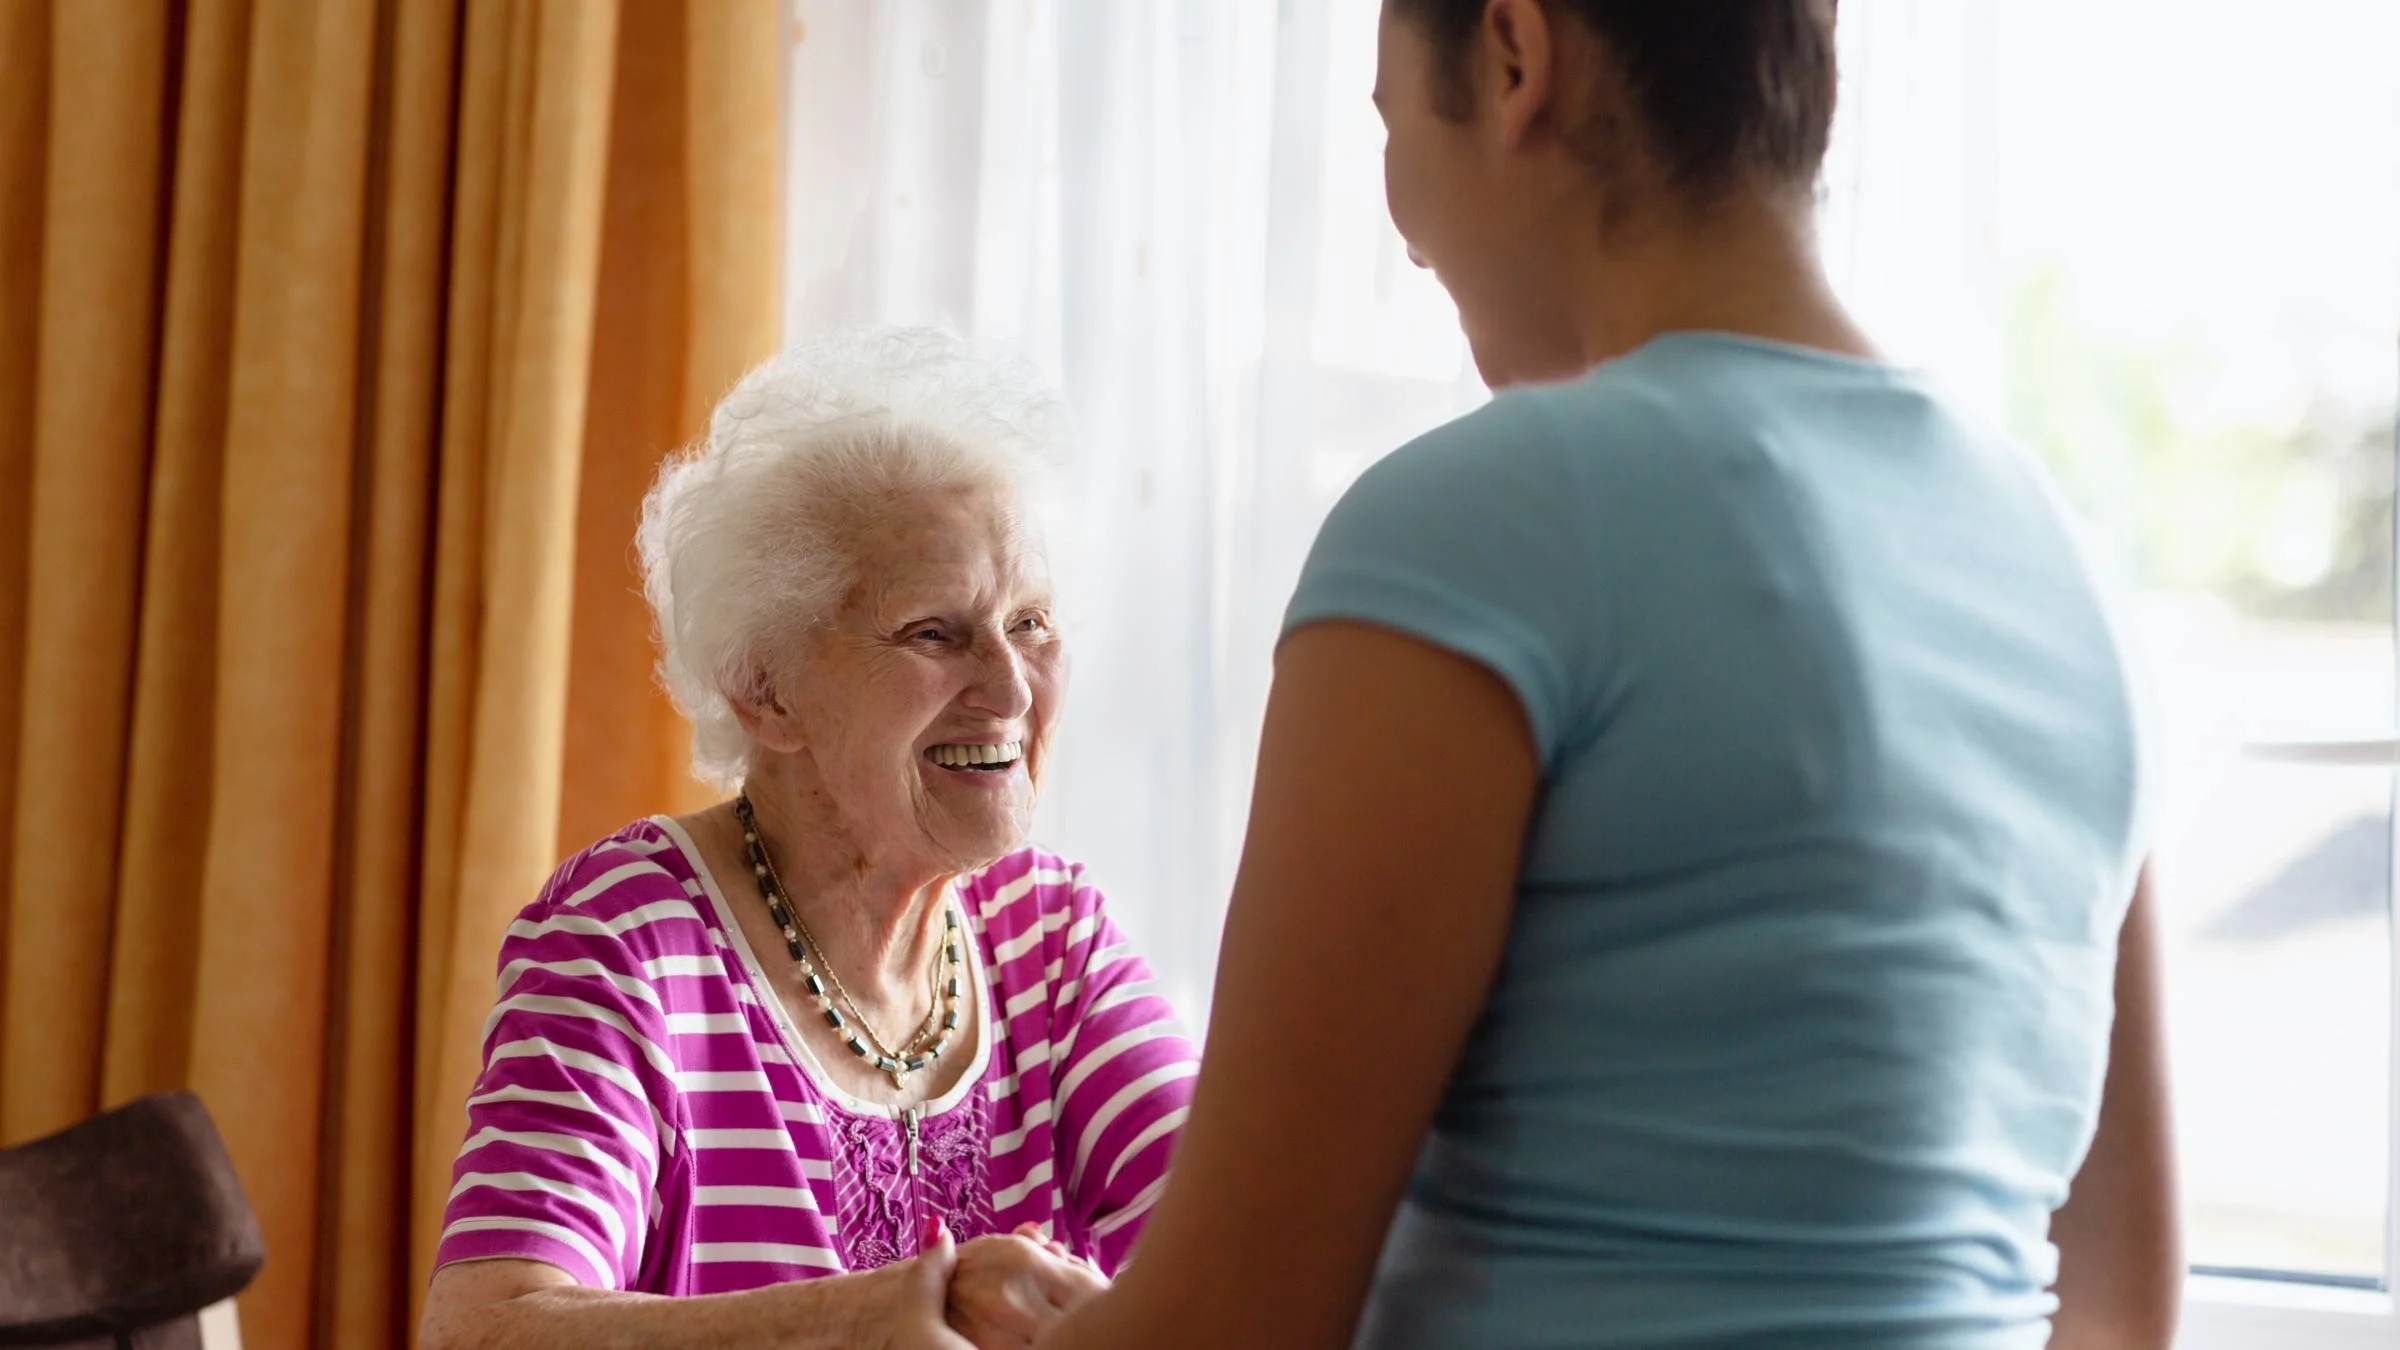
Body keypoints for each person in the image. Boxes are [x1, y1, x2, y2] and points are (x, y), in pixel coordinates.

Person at [1042, 3, 2176, 1348]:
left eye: (1389, 117)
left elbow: (1235, 1325)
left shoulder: (1483, 520)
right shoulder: (2062, 558)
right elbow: (2116, 1310)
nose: (1402, 220)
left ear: (1517, 57)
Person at [418, 328, 1198, 1350]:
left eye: (1033, 624)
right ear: (765, 689)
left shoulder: (1051, 940)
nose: (1010, 689)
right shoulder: (628, 946)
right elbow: (484, 1333)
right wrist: (877, 1316)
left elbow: (1244, 1256)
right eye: (934, 631)